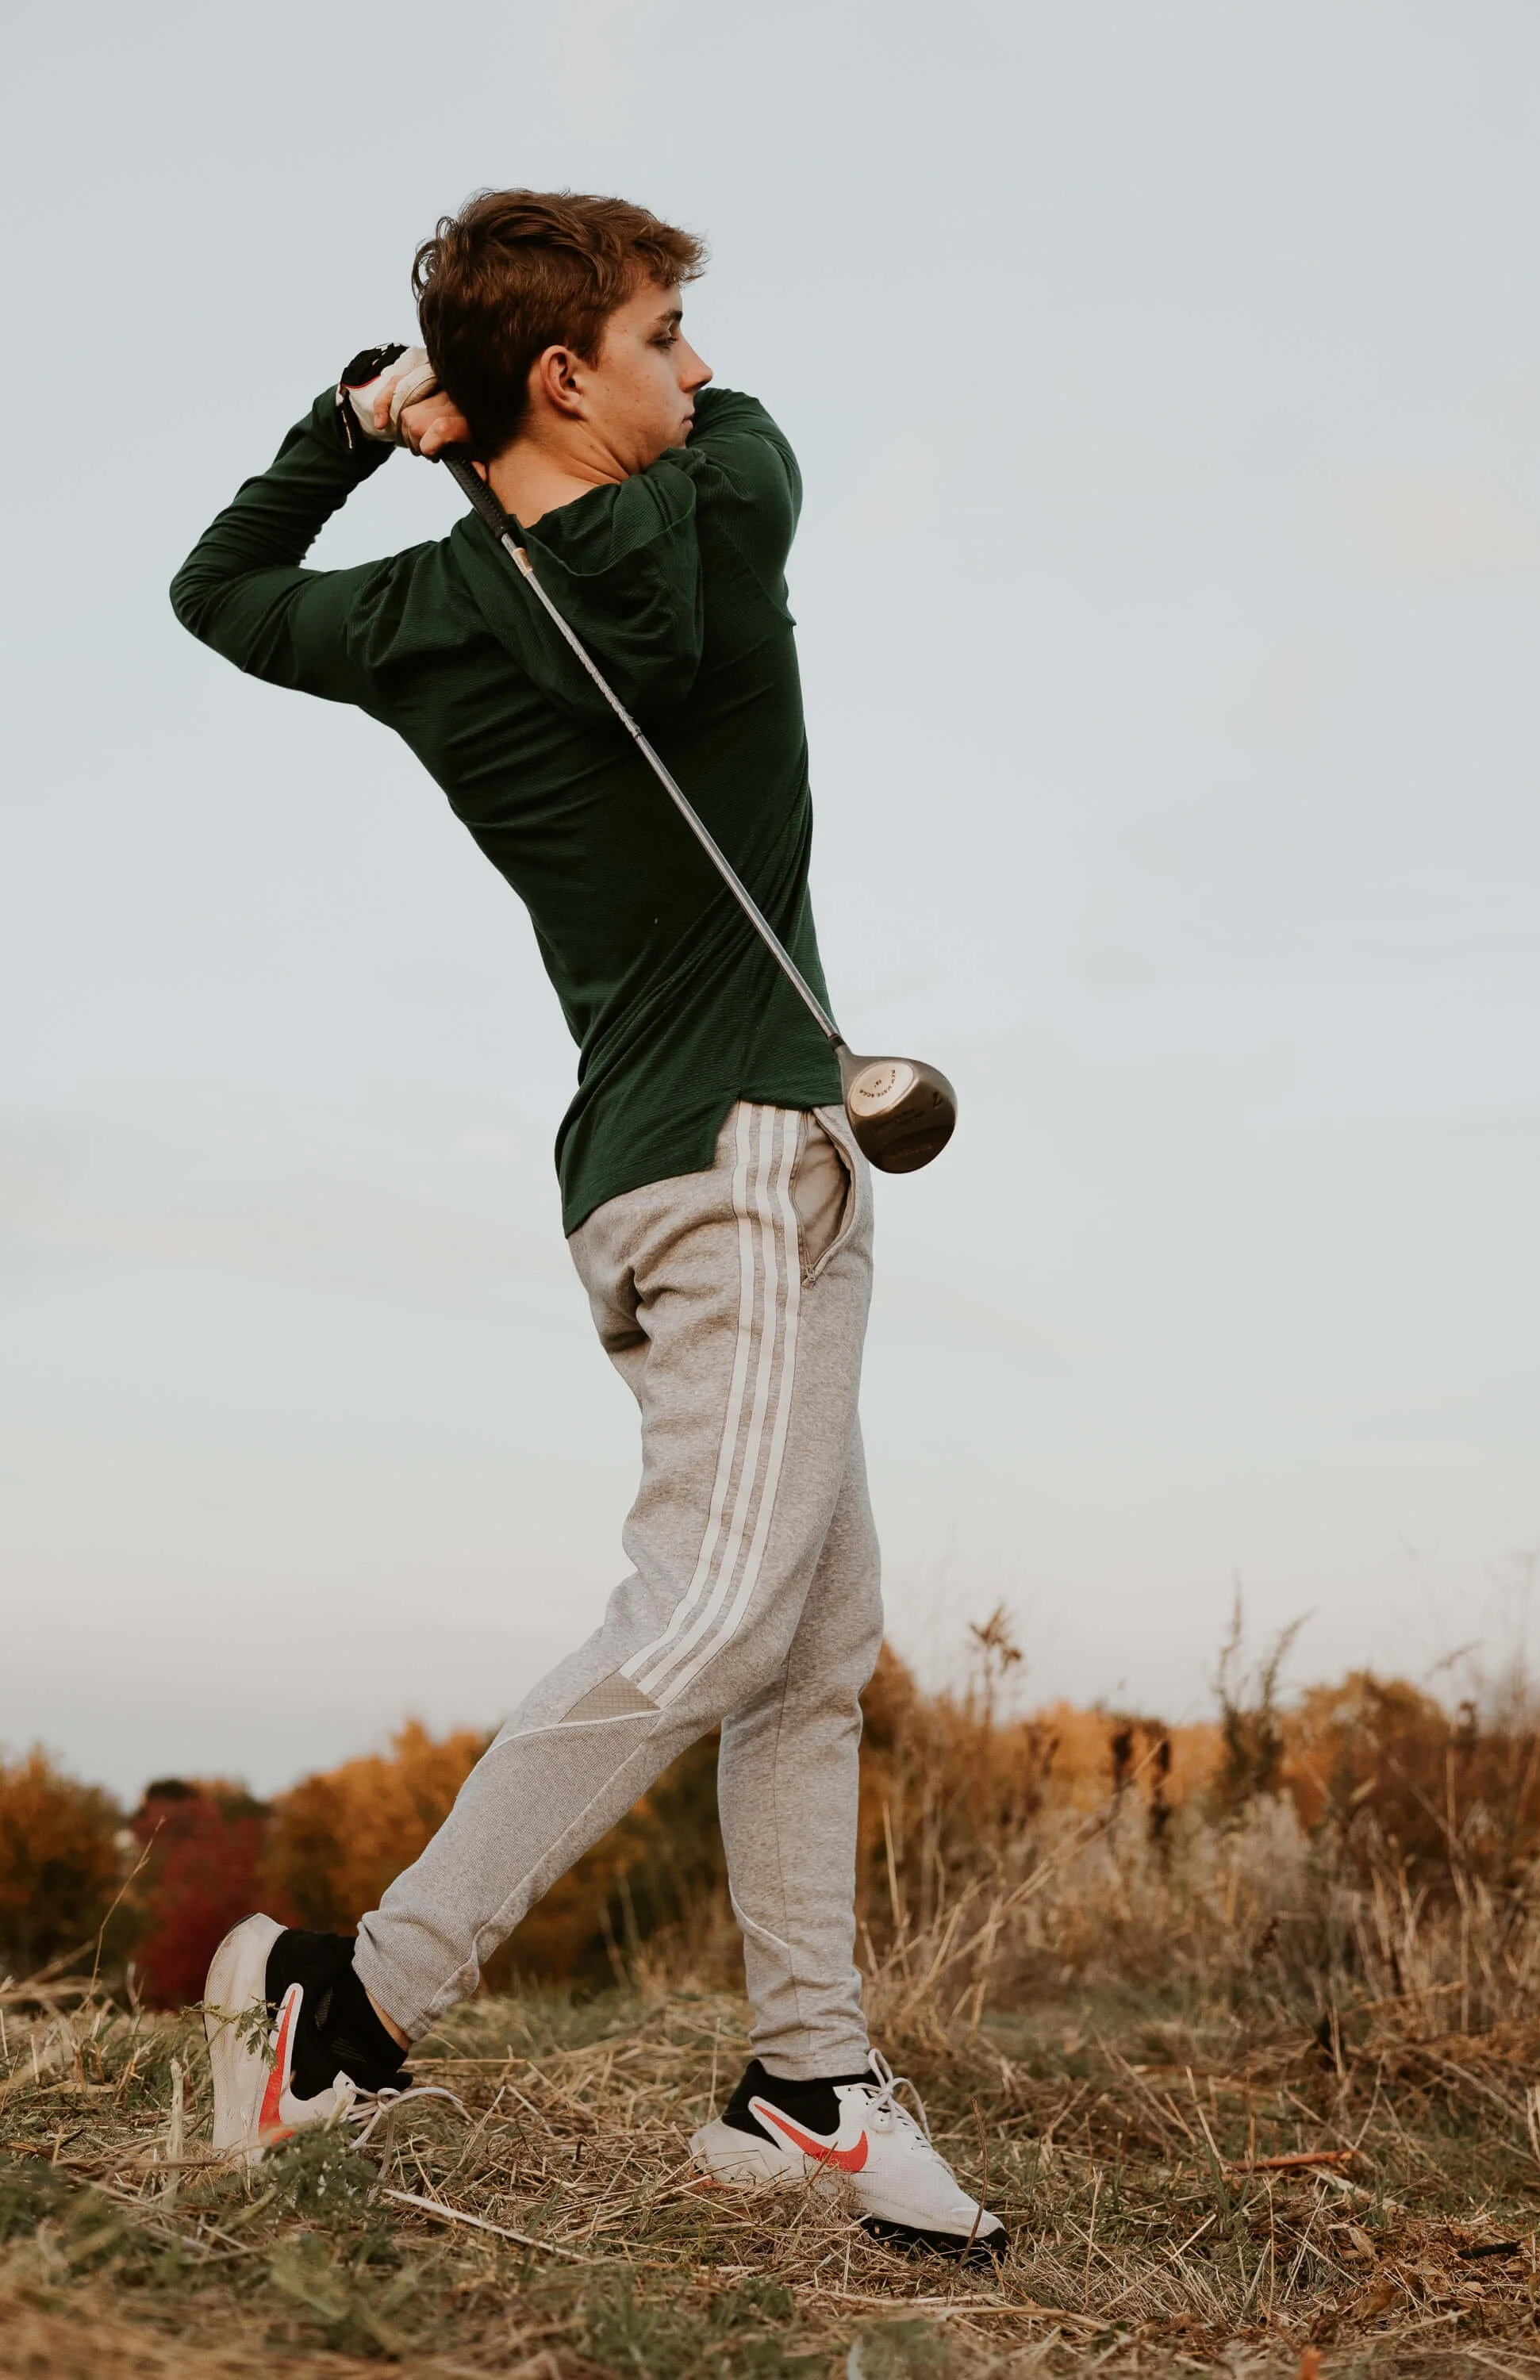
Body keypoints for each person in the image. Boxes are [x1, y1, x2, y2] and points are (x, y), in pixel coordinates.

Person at [175, 189, 1004, 2259]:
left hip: (649, 1182)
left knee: (807, 1646)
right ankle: (348, 2009)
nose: (698, 371)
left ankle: (808, 2087)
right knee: (716, 1620)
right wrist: (477, 428)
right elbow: (751, 438)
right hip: (743, 1171)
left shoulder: (425, 618)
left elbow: (222, 591)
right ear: (567, 374)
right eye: (660, 335)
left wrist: (369, 422)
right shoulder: (728, 508)